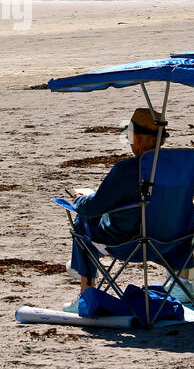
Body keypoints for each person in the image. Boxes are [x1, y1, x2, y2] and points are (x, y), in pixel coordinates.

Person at [68, 107, 166, 290]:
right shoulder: (177, 166)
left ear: (136, 138)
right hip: (170, 239)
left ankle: (87, 294)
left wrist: (78, 199)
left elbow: (92, 207)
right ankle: (186, 283)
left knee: (83, 219)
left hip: (127, 241)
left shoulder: (127, 170)